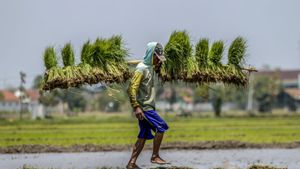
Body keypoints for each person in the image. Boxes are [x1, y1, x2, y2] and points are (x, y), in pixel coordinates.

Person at [126, 42, 169, 169]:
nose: (158, 60)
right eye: (157, 58)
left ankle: (131, 163)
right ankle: (155, 156)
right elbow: (132, 89)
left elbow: (156, 68)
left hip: (146, 107)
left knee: (143, 135)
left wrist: (159, 65)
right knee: (161, 127)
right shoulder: (141, 69)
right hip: (145, 108)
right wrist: (136, 107)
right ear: (152, 55)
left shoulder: (149, 67)